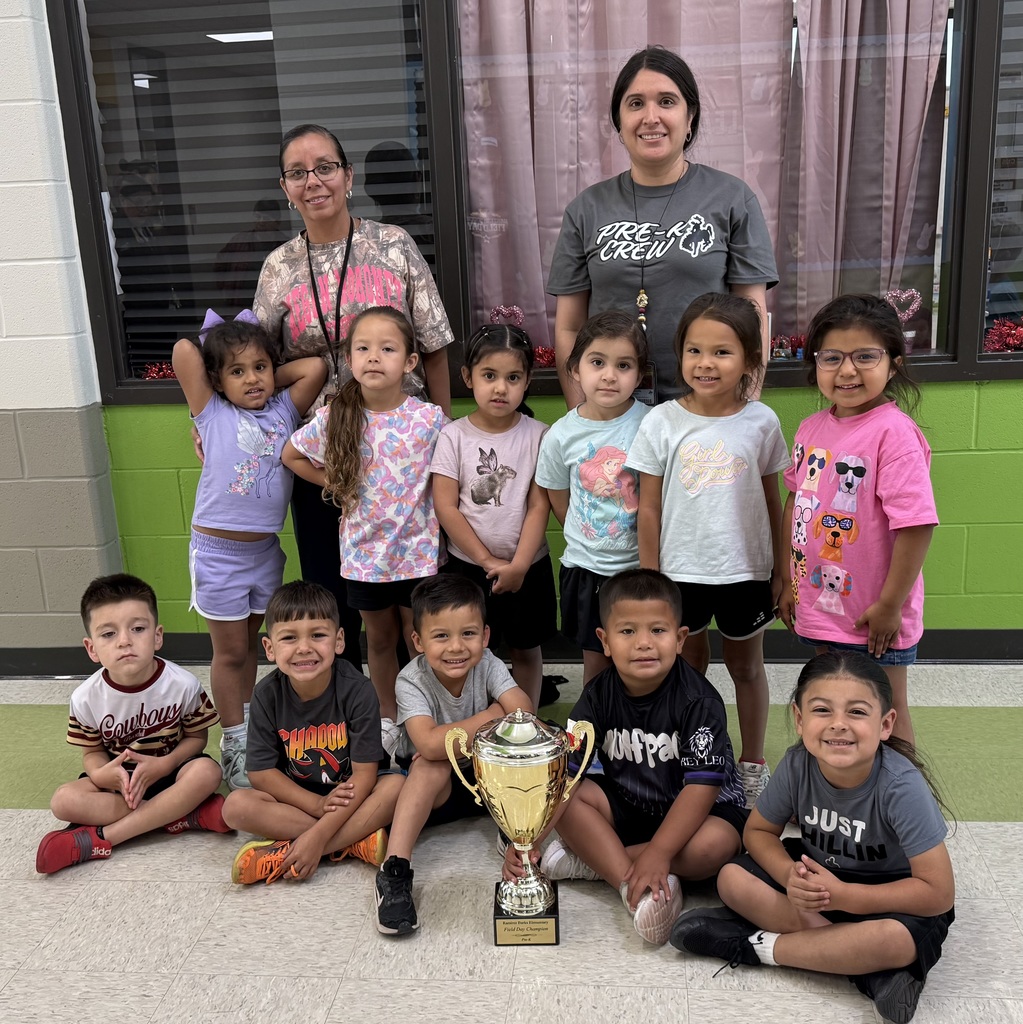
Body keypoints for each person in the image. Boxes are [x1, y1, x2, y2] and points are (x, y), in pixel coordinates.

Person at [253, 123, 456, 669]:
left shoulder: (392, 245)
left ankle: (422, 700)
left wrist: (448, 431)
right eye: (298, 172)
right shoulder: (278, 268)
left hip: (401, 448)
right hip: (322, 447)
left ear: (349, 175)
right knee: (329, 583)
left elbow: (433, 347)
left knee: (418, 596)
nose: (313, 181)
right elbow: (259, 366)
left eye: (324, 167)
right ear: (284, 185)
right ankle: (341, 698)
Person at [670, 652, 955, 1024]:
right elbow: (757, 832)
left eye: (856, 712)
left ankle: (757, 946)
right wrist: (789, 876)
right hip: (817, 883)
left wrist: (848, 896)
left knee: (894, 941)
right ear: (799, 719)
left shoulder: (901, 787)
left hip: (887, 895)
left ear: (885, 724)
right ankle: (864, 965)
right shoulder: (796, 763)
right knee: (730, 878)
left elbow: (938, 893)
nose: (839, 724)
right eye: (822, 710)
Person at [506, 569, 748, 947]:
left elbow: (701, 788)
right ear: (604, 641)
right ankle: (629, 883)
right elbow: (566, 776)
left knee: (713, 848)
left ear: (681, 638)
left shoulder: (699, 701)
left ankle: (591, 864)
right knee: (571, 799)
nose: (644, 643)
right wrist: (526, 841)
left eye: (658, 630)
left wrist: (660, 851)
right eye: (628, 631)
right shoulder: (597, 696)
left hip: (700, 814)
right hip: (630, 805)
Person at [547, 46, 777, 406]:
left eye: (667, 101)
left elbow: (753, 313)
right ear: (619, 122)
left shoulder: (732, 199)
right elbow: (569, 327)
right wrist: (583, 416)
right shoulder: (585, 209)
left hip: (708, 408)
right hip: (613, 413)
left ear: (690, 118)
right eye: (635, 103)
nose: (650, 117)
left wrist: (743, 410)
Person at [627, 293, 788, 807]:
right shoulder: (661, 422)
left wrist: (781, 572)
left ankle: (753, 763)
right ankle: (693, 759)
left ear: (748, 360)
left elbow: (773, 501)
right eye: (694, 350)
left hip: (745, 571)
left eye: (722, 352)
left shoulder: (762, 422)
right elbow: (647, 508)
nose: (706, 363)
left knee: (746, 668)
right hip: (680, 572)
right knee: (687, 669)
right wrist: (650, 580)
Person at [172, 313, 325, 789]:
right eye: (237, 371)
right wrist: (223, 379)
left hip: (264, 553)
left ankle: (253, 731)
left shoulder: (282, 411)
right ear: (217, 380)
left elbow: (315, 368)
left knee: (256, 651)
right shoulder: (213, 412)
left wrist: (258, 373)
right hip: (217, 554)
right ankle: (235, 741)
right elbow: (182, 351)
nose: (253, 379)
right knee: (231, 652)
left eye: (260, 368)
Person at [283, 306, 446, 750]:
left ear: (410, 362)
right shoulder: (338, 417)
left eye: (388, 349)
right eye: (364, 349)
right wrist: (335, 484)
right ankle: (389, 721)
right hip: (365, 557)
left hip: (418, 555)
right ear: (349, 360)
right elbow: (292, 455)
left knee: (420, 642)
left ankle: (424, 718)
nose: (374, 357)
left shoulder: (429, 419)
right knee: (379, 640)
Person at [777, 294, 936, 745]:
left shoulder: (895, 433)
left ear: (894, 362)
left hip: (874, 616)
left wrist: (890, 606)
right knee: (832, 703)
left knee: (885, 709)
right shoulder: (810, 428)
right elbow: (796, 502)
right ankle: (842, 790)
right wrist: (789, 580)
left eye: (865, 356)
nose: (847, 371)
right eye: (832, 357)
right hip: (822, 603)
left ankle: (906, 804)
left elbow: (916, 525)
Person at [36, 574, 230, 874]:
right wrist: (103, 774)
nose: (125, 640)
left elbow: (197, 738)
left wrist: (166, 764)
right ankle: (182, 815)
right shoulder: (85, 697)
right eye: (108, 634)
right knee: (62, 801)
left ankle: (102, 838)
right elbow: (91, 753)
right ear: (91, 649)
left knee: (208, 771)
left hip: (172, 773)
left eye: (137, 629)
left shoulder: (183, 684)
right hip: (121, 784)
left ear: (157, 636)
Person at [375, 575, 532, 935]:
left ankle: (513, 829)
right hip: (437, 794)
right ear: (417, 641)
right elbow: (430, 744)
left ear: (486, 636)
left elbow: (523, 711)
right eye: (441, 636)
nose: (456, 647)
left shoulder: (488, 663)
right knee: (432, 763)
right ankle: (394, 870)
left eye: (468, 634)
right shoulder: (410, 680)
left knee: (523, 746)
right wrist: (494, 715)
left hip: (486, 781)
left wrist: (499, 716)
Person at [222, 581, 403, 884]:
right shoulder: (266, 695)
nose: (304, 647)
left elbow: (365, 775)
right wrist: (317, 806)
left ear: (339, 640)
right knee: (235, 807)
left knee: (397, 786)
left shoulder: (358, 690)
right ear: (270, 648)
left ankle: (304, 848)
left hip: (353, 795)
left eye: (318, 635)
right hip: (297, 799)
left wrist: (318, 837)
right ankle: (354, 842)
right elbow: (262, 774)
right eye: (289, 638)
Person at [430, 319, 555, 708]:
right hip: (468, 568)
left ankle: (527, 726)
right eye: (489, 375)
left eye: (513, 377)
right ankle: (473, 724)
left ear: (527, 379)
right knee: (468, 652)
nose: (501, 387)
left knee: (526, 650)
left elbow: (539, 505)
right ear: (468, 377)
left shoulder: (540, 435)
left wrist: (517, 565)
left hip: (527, 568)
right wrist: (485, 559)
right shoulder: (453, 436)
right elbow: (446, 507)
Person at [535, 310, 651, 683]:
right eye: (597, 362)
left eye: (624, 365)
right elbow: (558, 498)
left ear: (640, 373)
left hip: (638, 567)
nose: (609, 375)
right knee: (597, 662)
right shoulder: (560, 435)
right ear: (575, 369)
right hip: (585, 568)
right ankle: (595, 735)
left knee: (641, 659)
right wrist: (591, 534)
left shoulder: (653, 424)